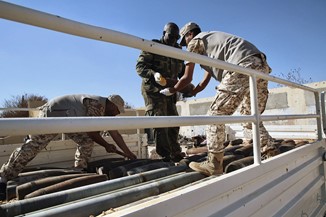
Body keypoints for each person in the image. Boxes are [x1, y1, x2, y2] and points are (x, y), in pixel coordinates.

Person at [160, 22, 274, 176]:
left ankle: (214, 164)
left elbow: (187, 78)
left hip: (242, 65)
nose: (186, 44)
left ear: (190, 35)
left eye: (184, 40)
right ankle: (270, 150)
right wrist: (194, 92)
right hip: (260, 64)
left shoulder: (195, 42)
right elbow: (204, 81)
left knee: (215, 116)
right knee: (251, 116)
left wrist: (171, 90)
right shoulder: (212, 44)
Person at [0, 94, 137, 186]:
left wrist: (128, 153)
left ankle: (79, 170)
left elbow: (115, 134)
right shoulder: (96, 104)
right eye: (117, 110)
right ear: (112, 105)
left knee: (85, 142)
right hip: (52, 116)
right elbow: (92, 132)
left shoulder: (106, 111)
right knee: (34, 146)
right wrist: (107, 145)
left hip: (70, 120)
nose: (117, 114)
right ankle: (5, 175)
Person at [136, 22, 187, 162]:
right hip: (153, 90)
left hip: (170, 90)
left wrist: (185, 86)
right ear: (163, 33)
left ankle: (175, 151)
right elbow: (140, 67)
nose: (173, 40)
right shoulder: (153, 46)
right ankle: (165, 155)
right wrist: (153, 74)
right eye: (171, 36)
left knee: (174, 121)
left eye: (176, 37)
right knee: (160, 121)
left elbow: (183, 72)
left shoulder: (178, 50)